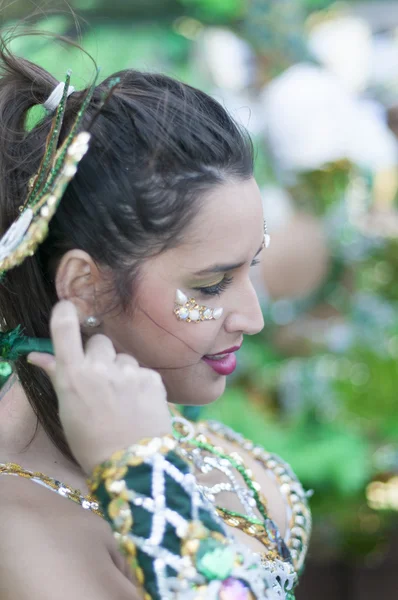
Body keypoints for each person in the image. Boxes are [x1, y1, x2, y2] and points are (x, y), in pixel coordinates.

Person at [0, 32, 311, 600]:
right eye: (212, 284)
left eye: (252, 269)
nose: (252, 318)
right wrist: (142, 478)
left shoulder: (165, 423)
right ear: (84, 286)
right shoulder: (14, 529)